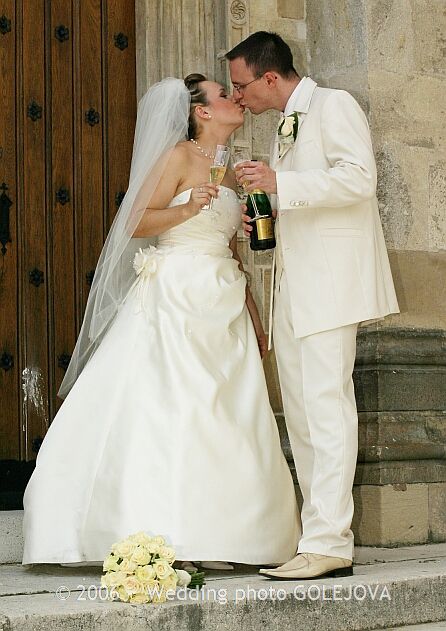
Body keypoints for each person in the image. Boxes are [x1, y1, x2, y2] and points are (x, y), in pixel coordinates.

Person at [21, 75, 300, 570]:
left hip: (223, 299)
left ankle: (228, 535)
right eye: (222, 94)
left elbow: (232, 250)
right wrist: (187, 208)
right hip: (175, 295)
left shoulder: (231, 169)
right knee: (178, 408)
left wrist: (256, 318)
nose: (234, 98)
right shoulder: (178, 157)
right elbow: (134, 222)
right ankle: (166, 531)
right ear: (202, 112)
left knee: (227, 414)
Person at [226, 32, 400, 579]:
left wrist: (282, 181)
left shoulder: (334, 104)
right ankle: (315, 536)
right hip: (293, 285)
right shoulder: (285, 124)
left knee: (326, 407)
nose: (238, 96)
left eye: (241, 85)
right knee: (301, 412)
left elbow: (360, 179)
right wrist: (269, 208)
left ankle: (331, 542)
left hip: (331, 284)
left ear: (269, 77)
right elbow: (306, 196)